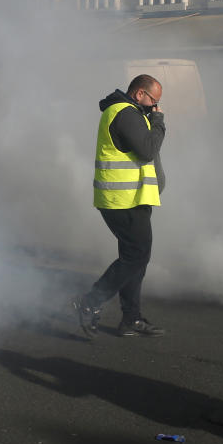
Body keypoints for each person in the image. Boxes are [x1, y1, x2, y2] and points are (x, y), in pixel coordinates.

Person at [72, 75, 166, 339]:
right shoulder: (125, 113)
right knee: (136, 255)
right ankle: (90, 301)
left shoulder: (131, 112)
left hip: (133, 198)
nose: (155, 106)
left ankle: (131, 319)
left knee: (137, 258)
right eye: (153, 100)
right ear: (139, 94)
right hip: (122, 200)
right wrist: (158, 123)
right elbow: (148, 149)